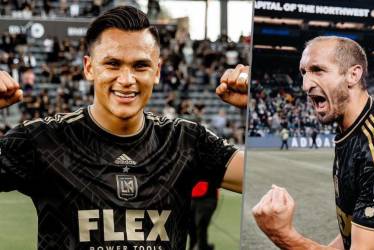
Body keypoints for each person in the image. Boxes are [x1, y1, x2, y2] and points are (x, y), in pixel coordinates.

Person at [0, 6, 248, 250]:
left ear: (157, 71)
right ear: (89, 67)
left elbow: (257, 179)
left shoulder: (185, 140)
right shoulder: (43, 140)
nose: (127, 80)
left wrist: (254, 107)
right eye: (113, 64)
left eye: (140, 66)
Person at [252, 36, 374, 249]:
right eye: (303, 72)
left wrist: (283, 235)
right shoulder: (355, 126)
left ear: (353, 74)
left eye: (318, 70)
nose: (306, 84)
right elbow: (356, 230)